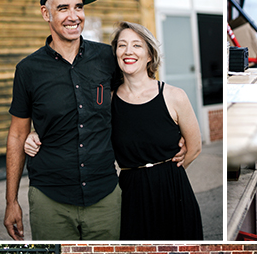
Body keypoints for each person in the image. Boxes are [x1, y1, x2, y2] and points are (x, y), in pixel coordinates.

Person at [26, 22, 203, 239]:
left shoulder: (175, 96)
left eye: (137, 45)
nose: (129, 51)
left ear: (149, 55)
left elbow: (194, 147)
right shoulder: (107, 102)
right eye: (122, 45)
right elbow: (75, 125)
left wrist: (164, 174)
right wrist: (36, 133)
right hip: (130, 195)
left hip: (173, 193)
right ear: (115, 54)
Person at [4, 0, 121, 241]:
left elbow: (133, 101)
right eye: (63, 8)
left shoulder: (107, 58)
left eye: (78, 7)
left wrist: (172, 134)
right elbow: (17, 135)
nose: (74, 15)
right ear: (46, 14)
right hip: (50, 199)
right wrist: (11, 202)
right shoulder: (28, 70)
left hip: (104, 195)